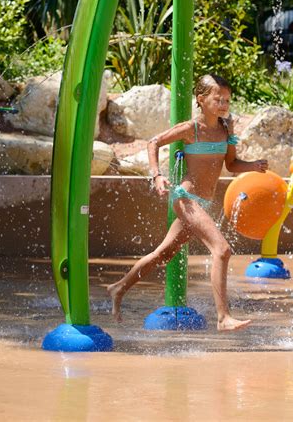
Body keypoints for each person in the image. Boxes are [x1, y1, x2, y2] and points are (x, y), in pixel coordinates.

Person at [107, 73, 268, 332]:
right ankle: (223, 317)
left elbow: (231, 164)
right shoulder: (191, 129)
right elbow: (153, 142)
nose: (224, 104)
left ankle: (118, 288)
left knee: (164, 253)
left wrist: (253, 166)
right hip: (186, 199)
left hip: (202, 203)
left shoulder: (226, 129)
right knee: (222, 249)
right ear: (201, 99)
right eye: (218, 99)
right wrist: (157, 175)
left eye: (227, 99)